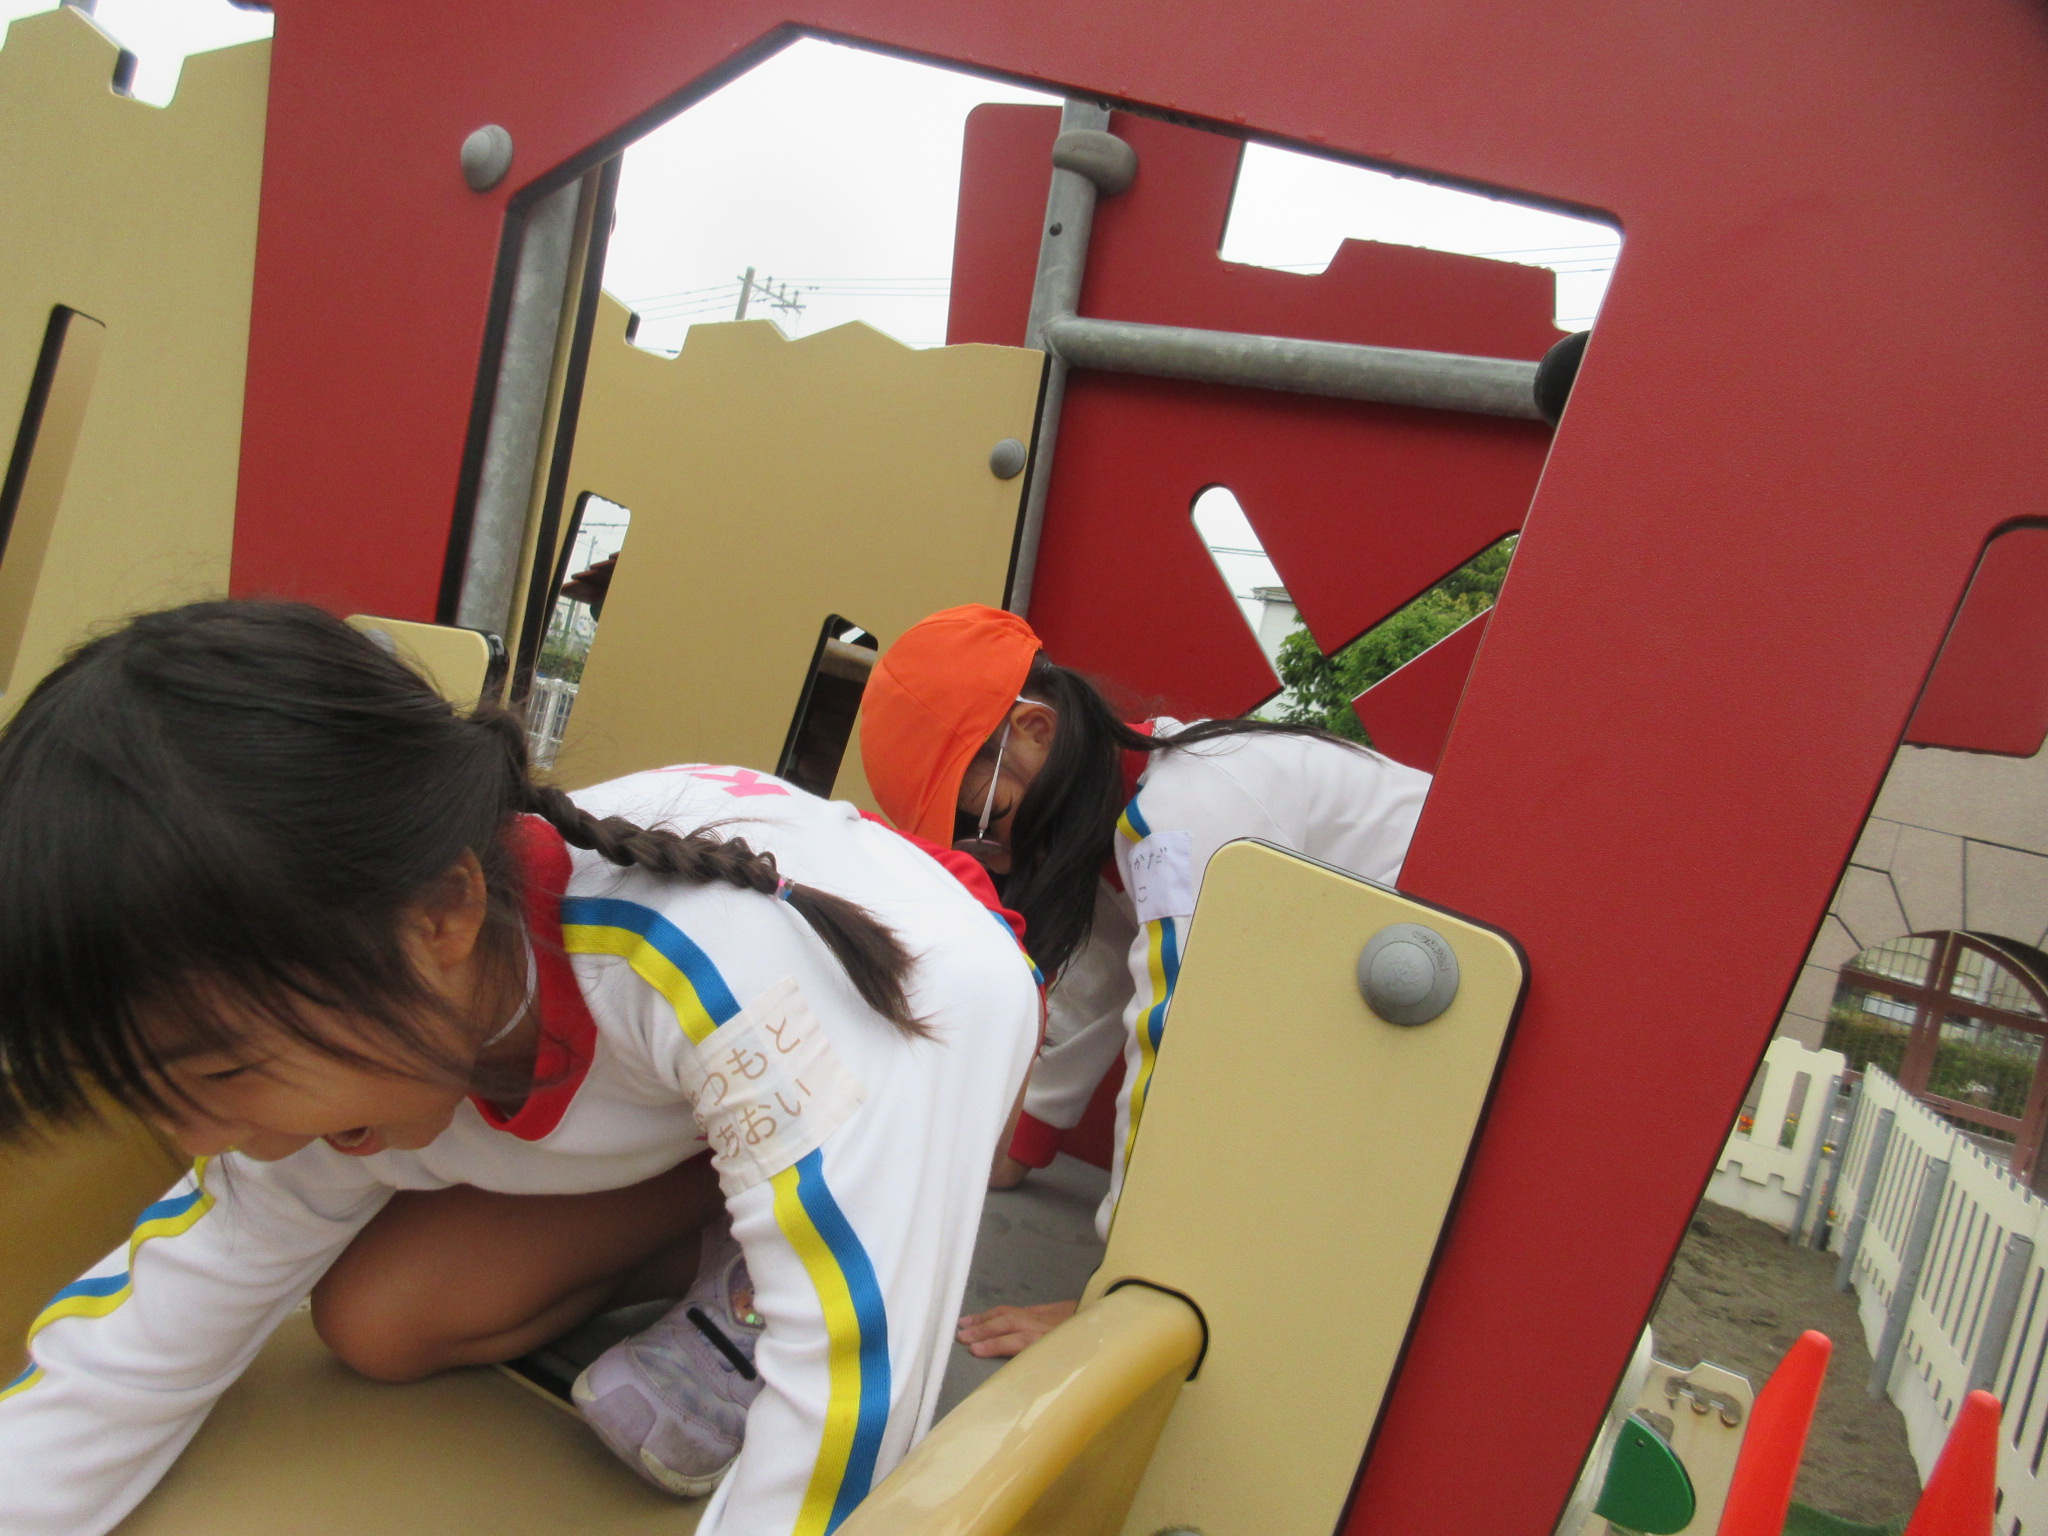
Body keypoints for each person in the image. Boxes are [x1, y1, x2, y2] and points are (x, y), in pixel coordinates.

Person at [0, 601, 1037, 1536]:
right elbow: (143, 1341)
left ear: (442, 915)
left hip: (917, 988)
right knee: (375, 1319)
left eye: (223, 1075)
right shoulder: (362, 990)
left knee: (835, 1253)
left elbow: (841, 1442)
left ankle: (785, 1217)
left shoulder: (753, 1001)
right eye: (159, 1096)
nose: (211, 1141)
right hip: (701, 1064)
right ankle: (752, 1202)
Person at [859, 604, 1431, 1358]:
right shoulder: (1135, 817)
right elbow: (1099, 983)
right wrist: (1015, 1147)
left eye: (985, 822)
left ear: (1035, 729)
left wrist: (1119, 1291)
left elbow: (1186, 1047)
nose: (997, 858)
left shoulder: (1183, 815)